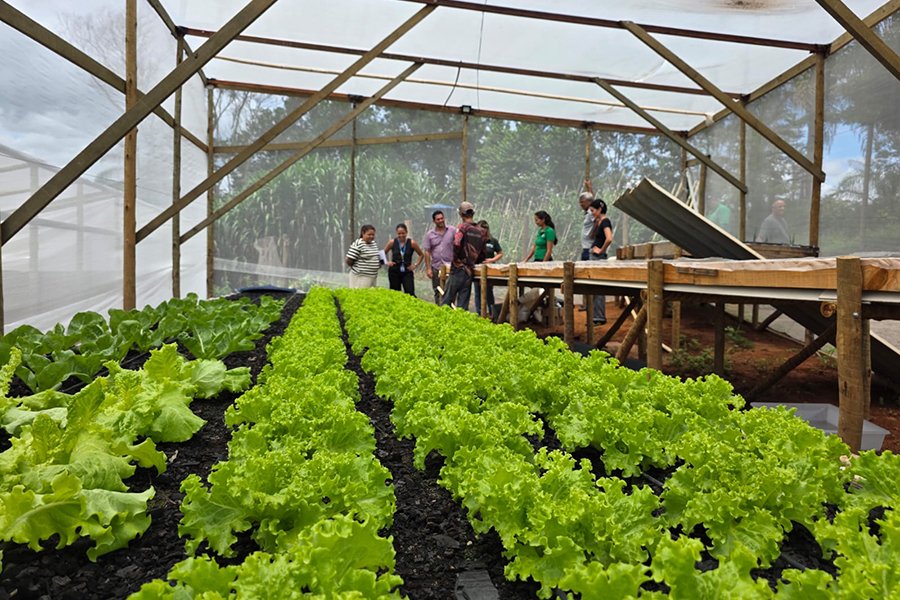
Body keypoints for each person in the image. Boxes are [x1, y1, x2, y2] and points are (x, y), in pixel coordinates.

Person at [441, 201, 486, 310]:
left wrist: (456, 261)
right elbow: (483, 254)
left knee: (446, 302)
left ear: (461, 214)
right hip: (469, 271)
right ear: (473, 214)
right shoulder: (480, 231)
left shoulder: (462, 228)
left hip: (458, 269)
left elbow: (456, 244)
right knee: (463, 306)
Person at [423, 210, 457, 304]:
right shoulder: (430, 235)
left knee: (451, 290)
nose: (441, 220)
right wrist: (428, 269)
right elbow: (427, 251)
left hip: (450, 266)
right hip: (436, 267)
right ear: (434, 221)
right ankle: (439, 308)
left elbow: (458, 245)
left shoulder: (452, 230)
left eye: (442, 218)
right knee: (438, 290)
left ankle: (450, 308)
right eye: (438, 219)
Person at [589, 198, 613, 325]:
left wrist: (601, 250)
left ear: (599, 209)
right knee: (594, 288)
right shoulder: (599, 222)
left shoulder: (605, 221)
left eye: (593, 210)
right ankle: (596, 316)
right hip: (594, 256)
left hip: (598, 257)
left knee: (598, 288)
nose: (591, 213)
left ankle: (599, 317)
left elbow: (609, 238)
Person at [473, 220, 504, 318]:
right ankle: (479, 313)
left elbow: (500, 253)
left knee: (489, 291)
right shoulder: (475, 241)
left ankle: (492, 313)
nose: (483, 232)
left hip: (490, 270)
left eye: (485, 229)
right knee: (478, 291)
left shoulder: (492, 241)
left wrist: (492, 260)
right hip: (478, 269)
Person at [384, 223, 424, 296]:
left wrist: (415, 265)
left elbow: (421, 255)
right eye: (399, 233)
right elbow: (382, 254)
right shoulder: (392, 242)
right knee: (395, 293)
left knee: (410, 293)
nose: (401, 235)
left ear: (406, 232)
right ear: (396, 233)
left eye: (403, 233)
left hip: (407, 271)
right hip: (394, 271)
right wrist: (387, 262)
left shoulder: (412, 243)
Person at [579, 191, 595, 261]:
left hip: (589, 247)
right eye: (580, 202)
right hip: (586, 247)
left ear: (589, 202)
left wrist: (593, 233)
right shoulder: (588, 212)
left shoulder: (591, 212)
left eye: (582, 202)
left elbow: (597, 221)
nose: (581, 204)